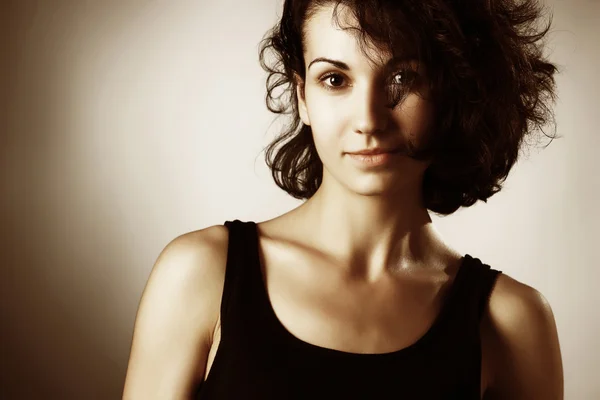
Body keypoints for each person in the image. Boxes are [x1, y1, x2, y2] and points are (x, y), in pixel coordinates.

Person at [123, 0, 564, 398]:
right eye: (335, 79)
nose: (368, 119)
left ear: (453, 91)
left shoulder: (513, 322)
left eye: (402, 78)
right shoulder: (200, 274)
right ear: (303, 97)